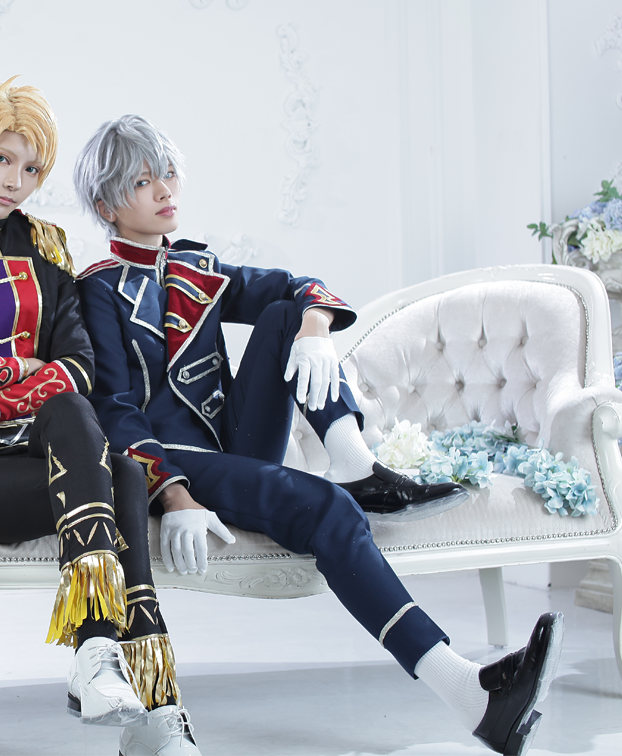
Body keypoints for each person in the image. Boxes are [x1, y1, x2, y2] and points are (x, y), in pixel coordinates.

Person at [72, 114, 564, 756]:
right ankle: (469, 692)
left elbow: (296, 287)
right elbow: (114, 410)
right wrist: (173, 492)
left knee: (285, 313)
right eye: (143, 182)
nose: (166, 189)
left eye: (168, 173)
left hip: (233, 444)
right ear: (107, 206)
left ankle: (355, 463)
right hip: (182, 463)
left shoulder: (196, 264)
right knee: (327, 507)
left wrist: (314, 329)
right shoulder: (97, 289)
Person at [0, 80, 200, 755]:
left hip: (47, 461)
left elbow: (78, 369)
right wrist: (24, 369)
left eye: (31, 168)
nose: (15, 181)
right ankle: (142, 697)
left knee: (115, 462)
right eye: (1, 159)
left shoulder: (46, 247)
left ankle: (110, 666)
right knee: (113, 471)